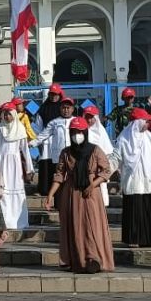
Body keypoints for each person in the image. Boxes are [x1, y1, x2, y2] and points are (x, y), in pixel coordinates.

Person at [45, 117, 114, 273]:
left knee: (92, 225)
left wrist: (93, 184)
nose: (77, 135)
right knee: (76, 226)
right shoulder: (66, 153)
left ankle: (94, 258)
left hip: (91, 194)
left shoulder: (95, 150)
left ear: (85, 132)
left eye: (80, 132)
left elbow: (106, 171)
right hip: (72, 194)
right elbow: (59, 175)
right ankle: (78, 260)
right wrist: (50, 195)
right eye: (74, 132)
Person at [110, 108, 151, 248]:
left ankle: (149, 238)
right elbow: (115, 157)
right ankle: (133, 239)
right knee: (134, 210)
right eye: (146, 121)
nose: (148, 124)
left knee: (148, 209)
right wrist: (106, 171)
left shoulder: (150, 137)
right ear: (138, 122)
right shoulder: (124, 139)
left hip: (148, 180)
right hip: (132, 181)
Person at [0, 102, 33, 232]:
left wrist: (29, 168)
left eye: (10, 113)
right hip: (3, 164)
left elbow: (25, 150)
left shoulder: (20, 128)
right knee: (3, 191)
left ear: (14, 114)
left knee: (17, 191)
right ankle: (6, 221)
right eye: (5, 114)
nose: (7, 116)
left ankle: (19, 222)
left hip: (16, 166)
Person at [31, 95, 75, 198]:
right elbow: (43, 135)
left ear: (72, 109)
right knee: (59, 178)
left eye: (68, 108)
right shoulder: (54, 123)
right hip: (58, 157)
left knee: (72, 179)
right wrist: (32, 143)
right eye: (63, 108)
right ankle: (59, 203)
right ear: (60, 109)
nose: (66, 110)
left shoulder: (76, 121)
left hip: (73, 156)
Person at [83, 105, 114, 206]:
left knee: (101, 187)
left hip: (99, 166)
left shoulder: (101, 131)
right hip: (85, 165)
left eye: (91, 117)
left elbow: (107, 151)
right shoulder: (82, 131)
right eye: (87, 117)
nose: (89, 120)